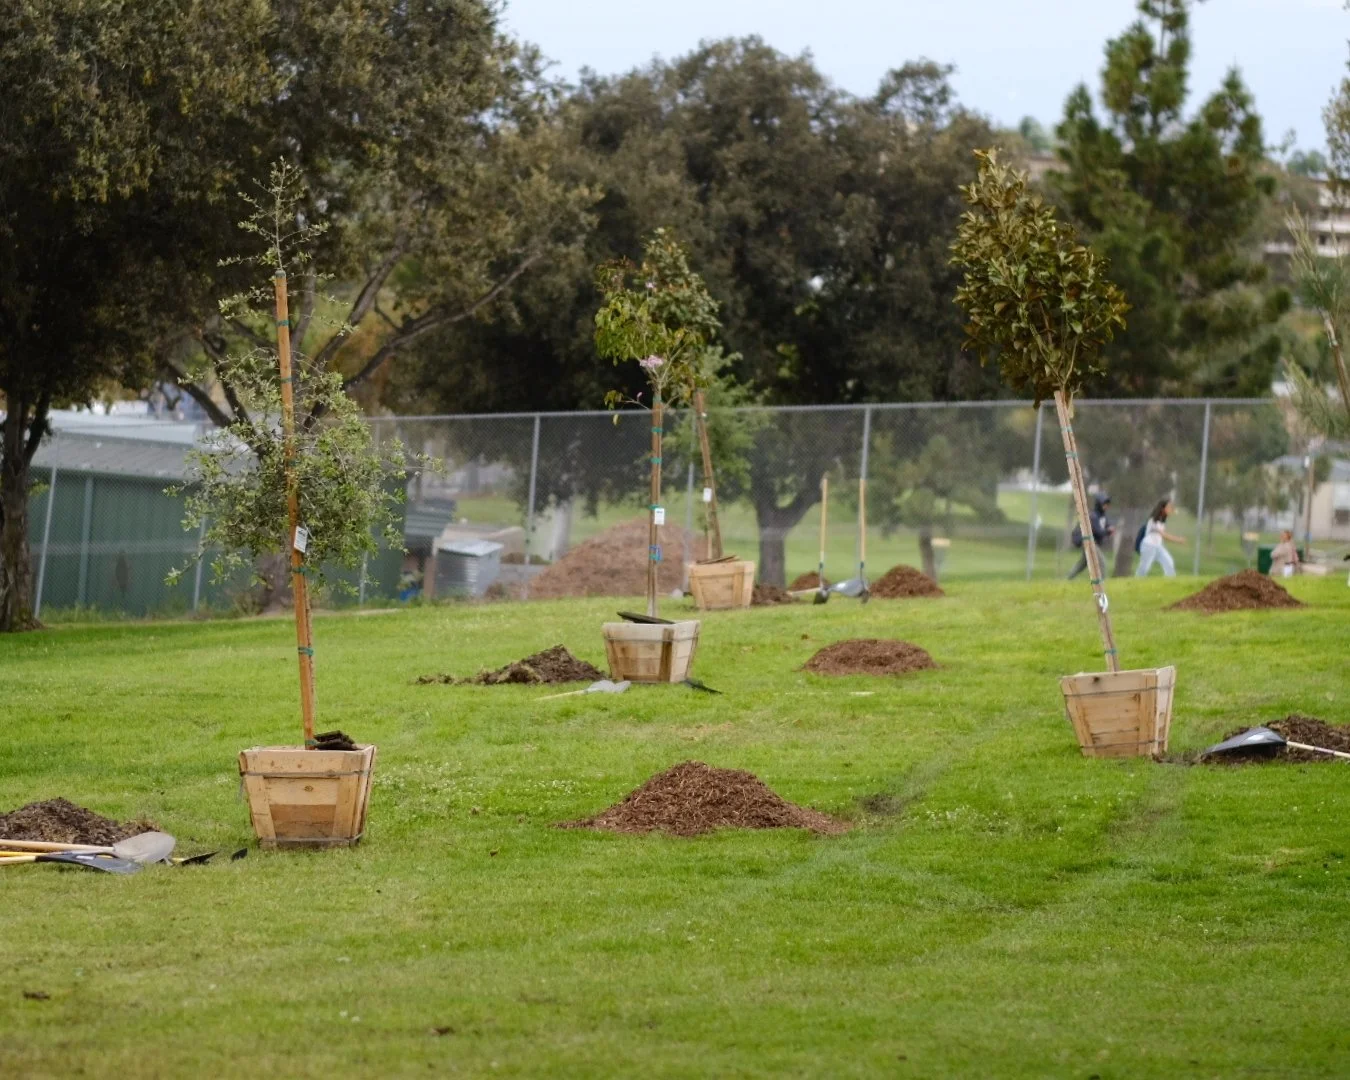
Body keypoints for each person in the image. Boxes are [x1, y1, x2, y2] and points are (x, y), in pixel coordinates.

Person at [1068, 494, 1114, 580]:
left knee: (1082, 564)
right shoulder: (1093, 516)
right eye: (1105, 504)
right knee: (1102, 562)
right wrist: (1108, 531)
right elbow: (1099, 532)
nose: (1107, 506)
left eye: (1107, 504)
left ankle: (1068, 579)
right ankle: (1102, 583)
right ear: (1099, 504)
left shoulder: (1102, 516)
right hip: (1089, 542)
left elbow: (1107, 525)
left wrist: (1109, 529)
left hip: (1093, 543)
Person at [1136, 498, 1186, 577]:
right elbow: (1164, 535)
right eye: (1168, 507)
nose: (1170, 508)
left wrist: (1173, 510)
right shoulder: (1153, 521)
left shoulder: (1162, 520)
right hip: (1148, 546)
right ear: (1162, 509)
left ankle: (1171, 582)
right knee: (1144, 568)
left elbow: (1172, 511)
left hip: (1158, 546)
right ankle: (1136, 582)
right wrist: (1178, 540)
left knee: (1169, 562)